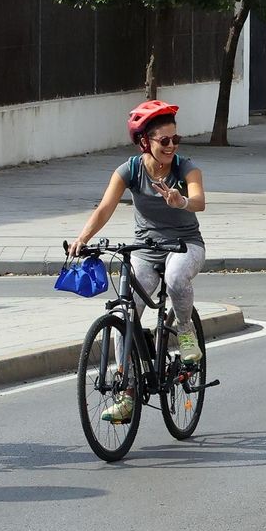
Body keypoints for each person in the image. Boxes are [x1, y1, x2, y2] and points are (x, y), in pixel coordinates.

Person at [72, 100, 206, 420]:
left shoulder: (185, 168)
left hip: (185, 244)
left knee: (175, 279)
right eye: (164, 141)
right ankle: (128, 395)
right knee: (125, 316)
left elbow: (199, 201)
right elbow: (105, 208)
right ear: (145, 141)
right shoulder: (129, 170)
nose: (172, 146)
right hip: (145, 248)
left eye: (176, 139)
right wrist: (83, 239)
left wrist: (181, 200)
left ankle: (185, 334)